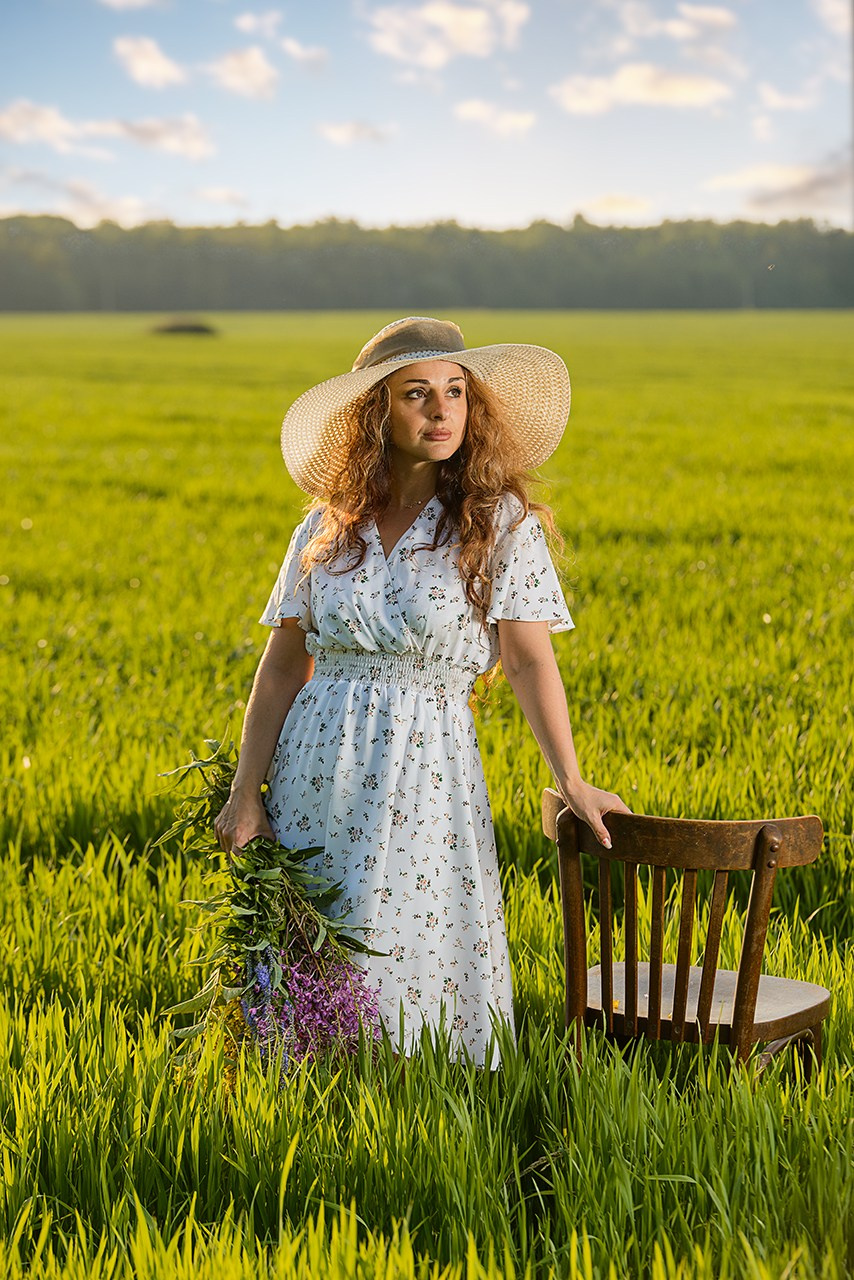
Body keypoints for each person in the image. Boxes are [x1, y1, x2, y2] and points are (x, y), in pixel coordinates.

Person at [214, 316, 630, 1067]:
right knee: (312, 938)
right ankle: (304, 1097)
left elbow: (530, 660)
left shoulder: (498, 521)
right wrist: (248, 792)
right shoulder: (325, 528)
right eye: (417, 394)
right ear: (377, 413)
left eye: (455, 392)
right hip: (315, 769)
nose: (442, 412)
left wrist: (570, 779)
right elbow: (282, 665)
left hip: (425, 768)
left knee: (410, 936)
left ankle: (413, 1104)